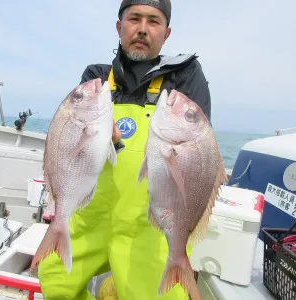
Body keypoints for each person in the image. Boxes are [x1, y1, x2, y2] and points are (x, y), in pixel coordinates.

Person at [37, 0, 211, 299]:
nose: (143, 29)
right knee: (55, 281)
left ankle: (112, 285)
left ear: (166, 33)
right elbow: (73, 146)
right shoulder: (97, 76)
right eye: (135, 19)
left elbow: (198, 152)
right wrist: (111, 142)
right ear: (120, 27)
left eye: (154, 21)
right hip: (93, 214)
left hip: (148, 222)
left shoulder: (184, 75)